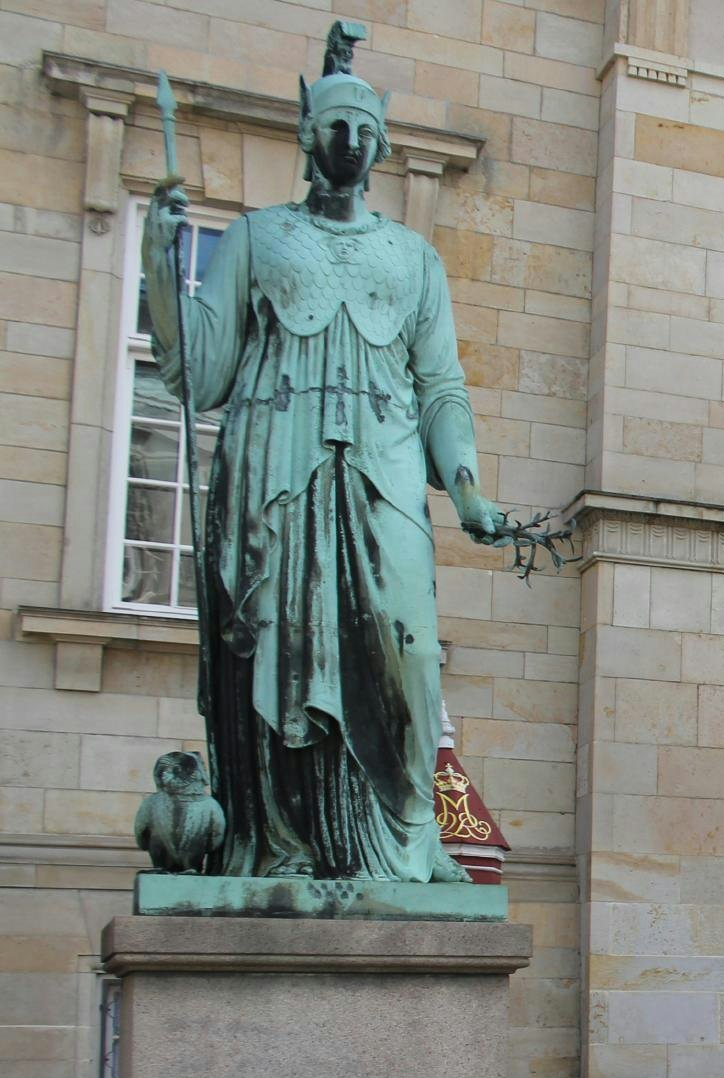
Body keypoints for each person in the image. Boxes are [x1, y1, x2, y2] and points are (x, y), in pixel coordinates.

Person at [143, 24, 505, 881]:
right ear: (310, 139)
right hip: (274, 466)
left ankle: (407, 843)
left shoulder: (413, 259)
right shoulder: (259, 238)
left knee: (408, 655)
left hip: (382, 470)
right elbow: (203, 365)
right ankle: (285, 845)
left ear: (379, 147)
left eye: (366, 131)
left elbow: (442, 388)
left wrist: (466, 489)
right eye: (336, 127)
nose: (351, 142)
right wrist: (163, 264)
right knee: (280, 642)